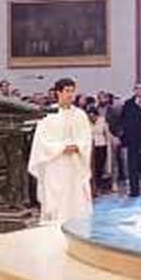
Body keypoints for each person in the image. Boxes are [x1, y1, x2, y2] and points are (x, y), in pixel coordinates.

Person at [28, 78, 93, 224]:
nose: (70, 95)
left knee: (75, 194)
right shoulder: (48, 114)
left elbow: (86, 137)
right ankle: (54, 223)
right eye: (67, 91)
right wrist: (62, 147)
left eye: (72, 91)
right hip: (55, 162)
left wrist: (78, 146)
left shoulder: (80, 115)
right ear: (58, 92)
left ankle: (77, 224)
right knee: (56, 196)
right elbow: (42, 141)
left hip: (75, 162)